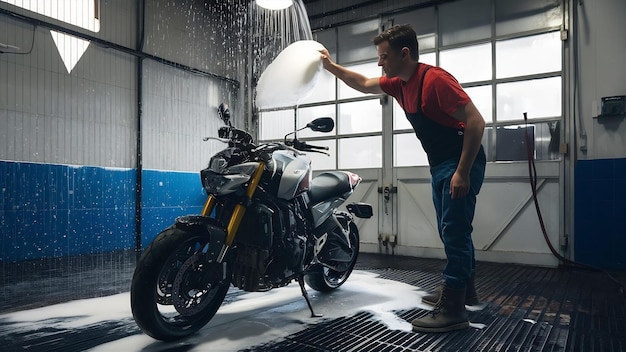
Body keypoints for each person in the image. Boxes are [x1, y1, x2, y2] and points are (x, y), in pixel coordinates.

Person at [320, 24, 486, 333]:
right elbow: (364, 83)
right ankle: (464, 291)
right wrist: (331, 66)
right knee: (450, 228)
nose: (380, 63)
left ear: (404, 54)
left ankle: (453, 308)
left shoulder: (435, 80)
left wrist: (462, 171)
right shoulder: (400, 83)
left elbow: (476, 122)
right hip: (440, 164)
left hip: (461, 160)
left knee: (455, 230)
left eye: (384, 57)